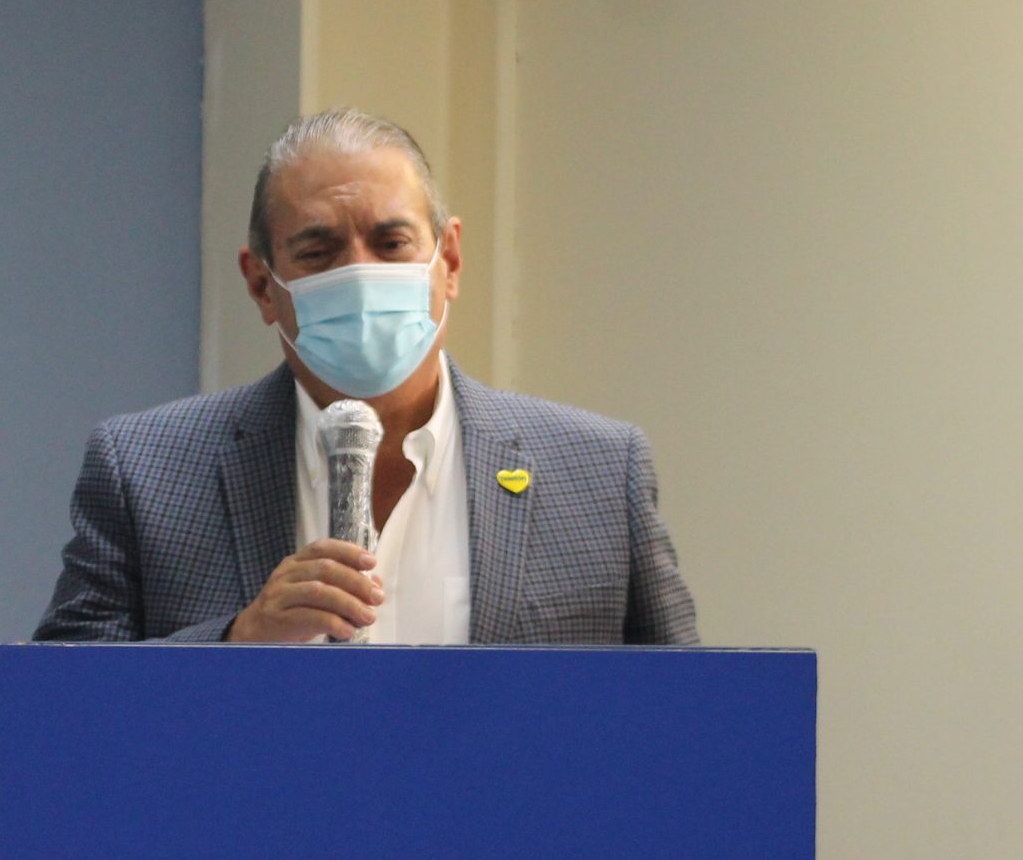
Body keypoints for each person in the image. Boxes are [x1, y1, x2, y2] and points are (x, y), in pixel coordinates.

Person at [35, 107, 697, 645]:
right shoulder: (146, 470)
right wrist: (240, 641)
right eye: (319, 252)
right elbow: (65, 710)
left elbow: (687, 717)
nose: (361, 273)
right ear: (262, 285)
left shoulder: (597, 472)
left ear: (450, 260)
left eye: (391, 243)